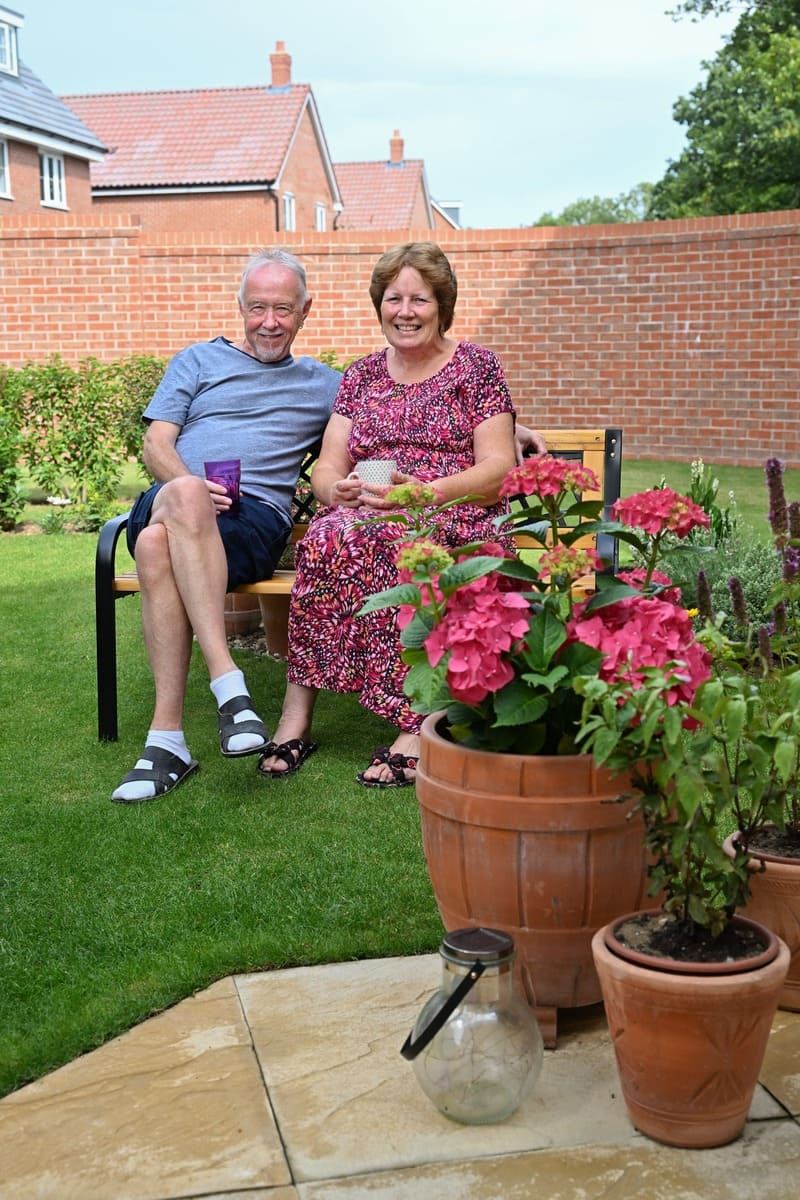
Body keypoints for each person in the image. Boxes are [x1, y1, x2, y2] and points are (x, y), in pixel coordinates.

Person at [258, 241, 536, 788]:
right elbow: (327, 467)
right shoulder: (361, 376)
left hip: (451, 512)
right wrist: (336, 489)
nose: (405, 311)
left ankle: (416, 720)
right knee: (323, 537)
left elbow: (500, 470)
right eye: (393, 298)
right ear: (379, 304)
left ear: (442, 305)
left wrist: (423, 493)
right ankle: (296, 717)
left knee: (388, 544)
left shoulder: (476, 367)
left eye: (420, 299)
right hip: (370, 511)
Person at [111, 248, 342, 803]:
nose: (269, 321)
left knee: (151, 545)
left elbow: (399, 405)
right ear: (240, 306)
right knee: (181, 499)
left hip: (251, 522)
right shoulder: (195, 361)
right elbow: (156, 443)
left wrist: (509, 426)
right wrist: (188, 487)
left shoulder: (325, 384)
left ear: (306, 310)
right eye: (257, 307)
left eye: (283, 309)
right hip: (172, 497)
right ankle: (229, 687)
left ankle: (167, 742)